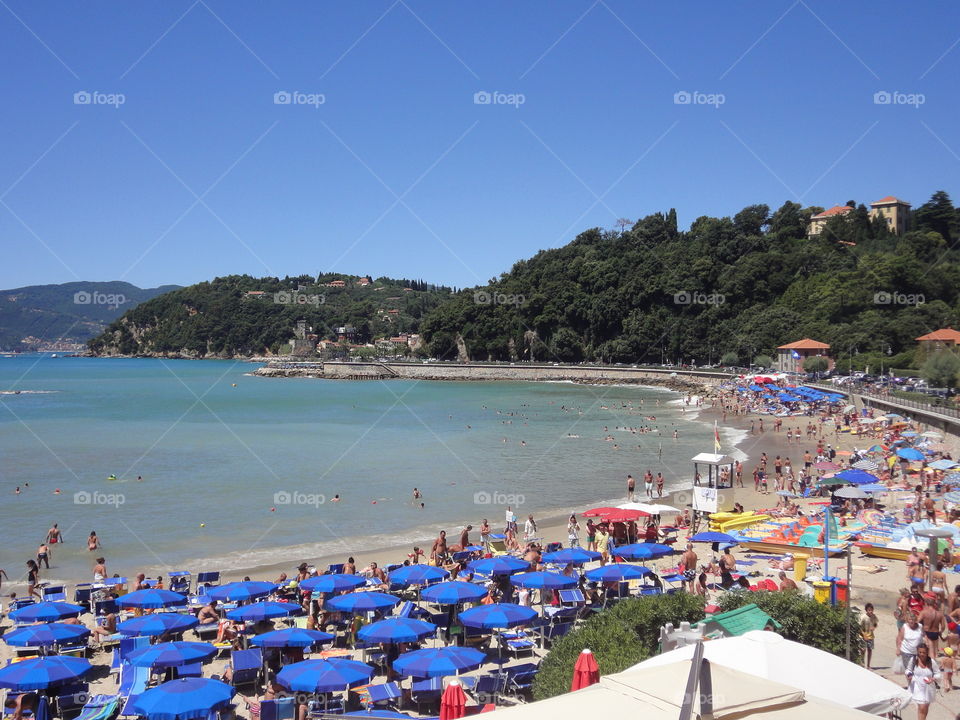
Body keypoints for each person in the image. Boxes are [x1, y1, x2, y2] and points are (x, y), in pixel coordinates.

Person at [906, 643, 940, 720]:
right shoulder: (913, 660)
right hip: (917, 687)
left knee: (925, 708)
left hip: (928, 688)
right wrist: (909, 674)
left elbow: (938, 673)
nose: (921, 654)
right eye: (920, 652)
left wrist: (933, 679)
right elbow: (908, 669)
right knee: (922, 707)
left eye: (924, 652)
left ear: (927, 652)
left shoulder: (931, 662)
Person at [861, 602, 878, 669]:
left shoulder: (874, 616)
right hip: (863, 636)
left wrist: (874, 627)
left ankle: (868, 665)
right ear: (866, 610)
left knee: (870, 650)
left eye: (871, 610)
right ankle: (862, 663)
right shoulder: (863, 617)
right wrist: (864, 635)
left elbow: (875, 623)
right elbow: (860, 627)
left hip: (871, 636)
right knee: (863, 650)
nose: (870, 611)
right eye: (869, 610)